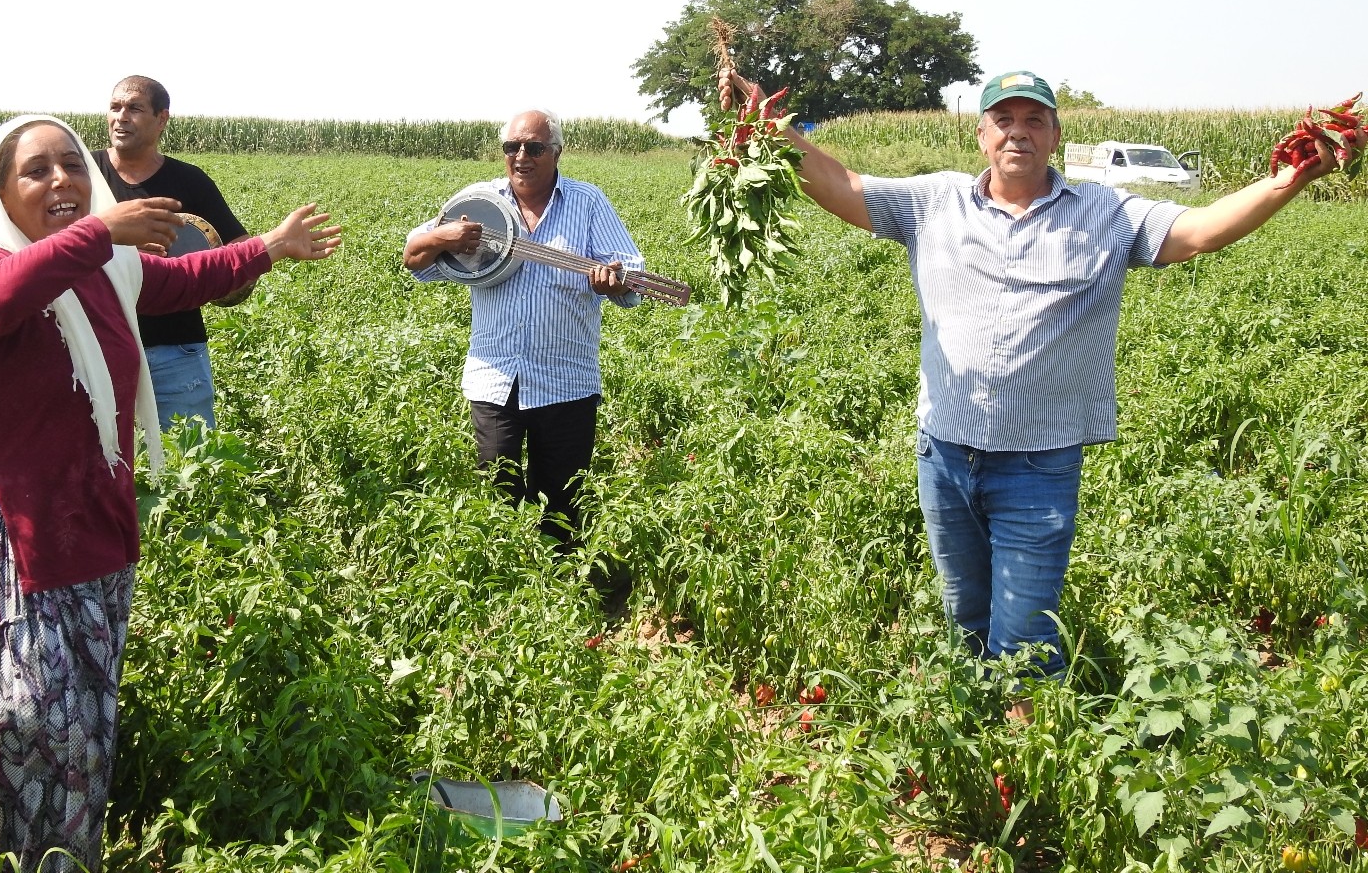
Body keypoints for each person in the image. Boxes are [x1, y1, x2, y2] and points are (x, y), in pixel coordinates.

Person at [723, 69, 1361, 690]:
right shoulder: (934, 202)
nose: (1017, 134)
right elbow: (842, 182)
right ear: (981, 136)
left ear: (1055, 135)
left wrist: (1288, 179)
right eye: (1003, 121)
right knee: (965, 619)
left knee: (1025, 642)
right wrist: (767, 124)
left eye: (1034, 121)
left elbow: (1197, 232)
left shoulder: (1105, 212)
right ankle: (972, 750)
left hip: (1038, 463)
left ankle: (1028, 774)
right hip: (944, 453)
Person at [0, 114, 341, 873]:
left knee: (85, 727)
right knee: (24, 726)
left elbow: (183, 280)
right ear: (0, 192)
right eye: (36, 170)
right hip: (13, 546)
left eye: (71, 165)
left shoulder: (103, 270)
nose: (62, 180)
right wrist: (99, 233)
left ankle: (70, 860)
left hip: (94, 525)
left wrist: (268, 248)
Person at [402, 109, 645, 548]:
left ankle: (561, 595)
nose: (521, 157)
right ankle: (505, 594)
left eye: (534, 148)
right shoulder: (479, 201)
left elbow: (632, 273)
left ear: (556, 152)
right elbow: (413, 255)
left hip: (566, 381)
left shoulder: (587, 202)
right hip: (495, 379)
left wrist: (613, 280)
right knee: (497, 500)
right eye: (512, 148)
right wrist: (445, 239)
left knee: (564, 502)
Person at [90, 75, 249, 430]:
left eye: (134, 108)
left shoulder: (190, 181)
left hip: (176, 350)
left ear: (162, 119)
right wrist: (120, 247)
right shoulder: (83, 173)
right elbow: (49, 247)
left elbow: (237, 247)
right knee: (98, 464)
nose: (121, 117)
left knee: (189, 461)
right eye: (115, 107)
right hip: (94, 344)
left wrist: (224, 271)